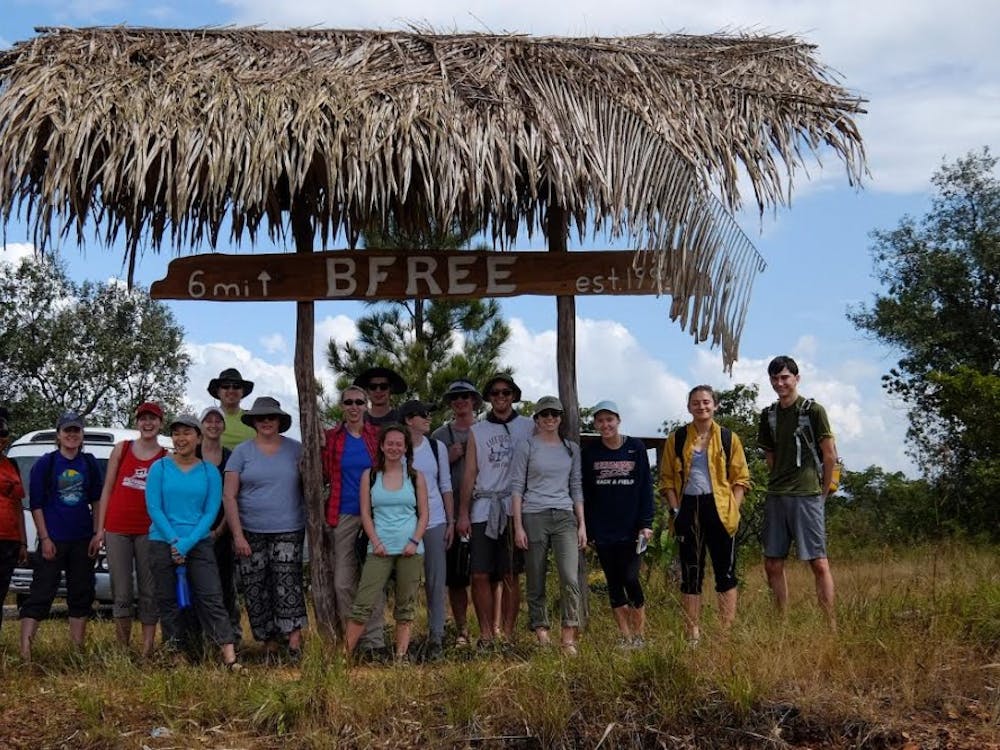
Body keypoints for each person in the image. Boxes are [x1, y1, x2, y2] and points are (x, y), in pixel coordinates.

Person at [146, 415, 240, 669]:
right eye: (176, 434)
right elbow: (154, 508)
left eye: (187, 433)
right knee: (168, 601)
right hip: (162, 540)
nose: (181, 439)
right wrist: (174, 541)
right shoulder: (160, 468)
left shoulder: (209, 471)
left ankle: (229, 656)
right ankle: (176, 654)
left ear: (198, 438)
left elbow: (210, 512)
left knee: (212, 597)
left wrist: (186, 543)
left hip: (198, 540)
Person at [660, 386, 751, 644]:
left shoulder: (727, 437)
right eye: (696, 403)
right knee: (691, 572)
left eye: (706, 402)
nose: (702, 407)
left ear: (715, 405)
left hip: (720, 508)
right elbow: (666, 479)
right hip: (688, 507)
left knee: (725, 572)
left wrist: (733, 507)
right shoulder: (677, 439)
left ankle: (725, 632)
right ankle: (692, 632)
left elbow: (741, 477)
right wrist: (676, 510)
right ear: (689, 407)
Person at [224, 396, 307, 663]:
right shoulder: (241, 452)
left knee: (288, 584)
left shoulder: (297, 450)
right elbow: (229, 496)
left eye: (271, 417)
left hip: (289, 527)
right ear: (254, 422)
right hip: (250, 530)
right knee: (256, 587)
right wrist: (237, 534)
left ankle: (294, 641)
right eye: (261, 418)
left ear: (280, 421)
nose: (266, 422)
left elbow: (314, 482)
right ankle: (269, 643)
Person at [757, 355, 837, 626]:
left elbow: (829, 455)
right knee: (772, 563)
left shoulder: (814, 411)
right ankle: (781, 623)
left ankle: (830, 625)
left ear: (796, 378)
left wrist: (822, 492)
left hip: (807, 494)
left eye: (785, 378)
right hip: (777, 495)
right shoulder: (767, 415)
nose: (780, 383)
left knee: (819, 563)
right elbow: (770, 456)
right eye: (775, 378)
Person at [457, 373, 534, 647]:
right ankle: (487, 633)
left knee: (511, 573)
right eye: (495, 393)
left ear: (513, 395)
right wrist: (463, 513)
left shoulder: (529, 426)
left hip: (515, 509)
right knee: (479, 573)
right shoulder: (478, 431)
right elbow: (470, 473)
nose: (500, 397)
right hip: (484, 508)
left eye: (506, 392)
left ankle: (509, 634)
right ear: (488, 398)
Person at [19, 411, 103, 661]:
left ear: (82, 434)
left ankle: (77, 652)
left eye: (76, 430)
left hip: (81, 539)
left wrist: (97, 533)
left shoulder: (89, 463)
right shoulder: (47, 463)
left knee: (81, 594)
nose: (72, 435)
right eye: (67, 430)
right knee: (41, 593)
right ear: (58, 434)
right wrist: (44, 538)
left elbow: (97, 500)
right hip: (52, 540)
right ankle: (25, 652)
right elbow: (36, 504)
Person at [345, 425, 428, 662]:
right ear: (381, 446)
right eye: (389, 443)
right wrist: (375, 541)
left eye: (399, 444)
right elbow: (365, 513)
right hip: (379, 548)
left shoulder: (415, 476)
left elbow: (423, 515)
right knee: (363, 603)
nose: (394, 448)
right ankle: (343, 658)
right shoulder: (370, 476)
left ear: (405, 448)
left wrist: (414, 541)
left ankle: (400, 657)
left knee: (405, 606)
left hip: (410, 549)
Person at [511, 396, 586, 654]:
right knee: (535, 577)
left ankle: (568, 635)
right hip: (534, 515)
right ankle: (541, 632)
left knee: (569, 577)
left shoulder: (571, 448)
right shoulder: (527, 447)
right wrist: (518, 526)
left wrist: (582, 523)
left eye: (554, 414)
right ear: (537, 419)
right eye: (545, 415)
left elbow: (576, 485)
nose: (550, 419)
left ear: (561, 418)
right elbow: (517, 487)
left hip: (565, 515)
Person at [93, 401, 168, 656]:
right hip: (117, 528)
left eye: (153, 419)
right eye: (143, 418)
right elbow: (107, 489)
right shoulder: (122, 449)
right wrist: (100, 528)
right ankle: (123, 650)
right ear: (137, 422)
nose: (148, 423)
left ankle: (147, 651)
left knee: (149, 590)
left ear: (160, 422)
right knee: (121, 589)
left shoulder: (165, 457)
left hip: (150, 531)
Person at [581, 400, 654, 648]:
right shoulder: (590, 452)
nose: (605, 425)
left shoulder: (635, 447)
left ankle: (639, 636)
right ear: (595, 424)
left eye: (609, 420)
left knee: (631, 578)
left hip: (633, 529)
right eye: (600, 420)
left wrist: (646, 523)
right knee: (613, 582)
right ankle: (625, 637)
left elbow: (646, 486)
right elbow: (586, 493)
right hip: (603, 530)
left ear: (618, 420)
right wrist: (588, 528)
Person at [321, 385, 384, 651]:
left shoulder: (376, 436)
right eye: (349, 402)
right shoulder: (331, 437)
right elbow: (322, 473)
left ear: (366, 406)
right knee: (343, 581)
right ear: (342, 406)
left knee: (374, 580)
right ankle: (353, 640)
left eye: (359, 401)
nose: (354, 407)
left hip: (377, 514)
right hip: (344, 513)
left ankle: (375, 641)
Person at [431, 379, 481, 646]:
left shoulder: (485, 431)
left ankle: (491, 629)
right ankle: (462, 630)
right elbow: (425, 477)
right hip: (451, 517)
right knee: (457, 577)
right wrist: (447, 460)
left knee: (488, 575)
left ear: (474, 400)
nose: (460, 401)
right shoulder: (439, 437)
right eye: (455, 398)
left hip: (484, 511)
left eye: (465, 396)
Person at [401, 399, 453, 660]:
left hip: (435, 521)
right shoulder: (396, 446)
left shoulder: (436, 446)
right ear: (409, 420)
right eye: (423, 414)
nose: (428, 418)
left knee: (435, 581)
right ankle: (404, 642)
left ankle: (436, 639)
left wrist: (451, 522)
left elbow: (445, 485)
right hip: (404, 523)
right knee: (406, 583)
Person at [197, 406, 243, 648]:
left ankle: (230, 637)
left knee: (225, 586)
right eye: (208, 420)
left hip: (221, 533)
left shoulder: (230, 457)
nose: (213, 424)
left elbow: (233, 497)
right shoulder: (190, 454)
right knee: (195, 586)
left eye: (218, 421)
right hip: (192, 533)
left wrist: (221, 530)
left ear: (223, 426)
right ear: (201, 425)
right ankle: (198, 638)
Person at [0, 407, 28, 633]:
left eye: (3, 435)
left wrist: (23, 542)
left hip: (9, 540)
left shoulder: (12, 465)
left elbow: (18, 505)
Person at [207, 368, 256, 450]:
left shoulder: (253, 420)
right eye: (225, 386)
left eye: (236, 386)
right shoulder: (206, 421)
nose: (231, 390)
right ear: (218, 392)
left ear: (242, 392)